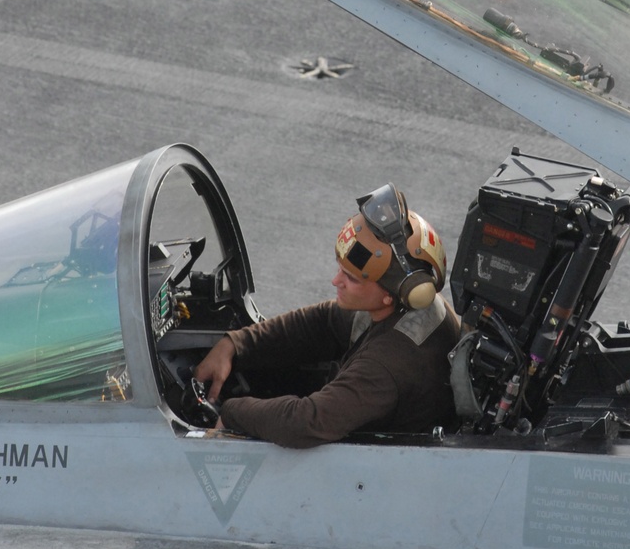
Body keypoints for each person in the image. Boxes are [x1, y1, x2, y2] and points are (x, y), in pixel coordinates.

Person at [193, 186, 460, 448]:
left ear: (389, 295)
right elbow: (323, 321)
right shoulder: (406, 301)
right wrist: (236, 344)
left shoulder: (387, 366)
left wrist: (232, 413)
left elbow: (306, 422)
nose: (336, 281)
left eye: (350, 278)